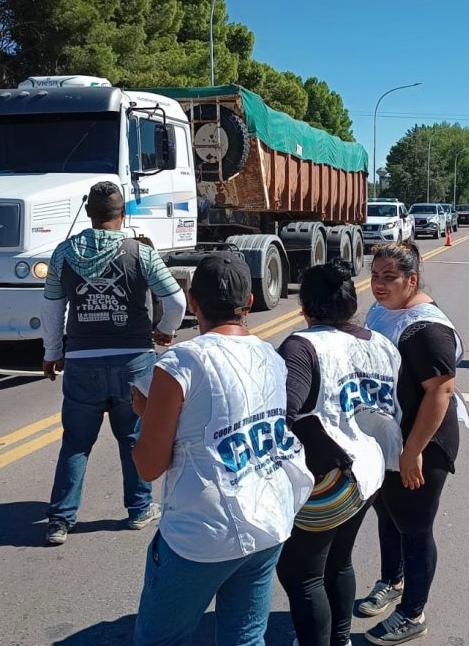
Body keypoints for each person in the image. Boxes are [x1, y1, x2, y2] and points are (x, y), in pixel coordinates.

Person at [130, 253, 314, 646]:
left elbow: (148, 466)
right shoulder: (271, 355)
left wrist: (146, 413)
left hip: (200, 534)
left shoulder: (181, 361)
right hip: (268, 519)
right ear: (249, 304)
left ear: (192, 302)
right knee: (245, 638)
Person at [41, 181, 187, 546]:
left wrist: (52, 352)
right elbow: (177, 302)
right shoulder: (142, 254)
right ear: (123, 215)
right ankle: (139, 510)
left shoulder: (63, 254)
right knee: (133, 436)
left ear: (89, 214)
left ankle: (60, 521)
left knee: (75, 442)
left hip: (82, 361)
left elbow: (52, 308)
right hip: (133, 361)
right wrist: (164, 331)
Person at [275, 261, 402, 646]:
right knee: (337, 561)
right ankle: (340, 638)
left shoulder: (303, 346)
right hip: (371, 470)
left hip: (331, 477)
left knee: (301, 574)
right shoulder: (380, 344)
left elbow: (286, 414)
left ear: (305, 307)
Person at [361, 241, 466, 645]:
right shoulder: (383, 309)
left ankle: (412, 613)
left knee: (416, 527)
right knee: (388, 515)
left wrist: (412, 452)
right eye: (375, 276)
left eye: (390, 278)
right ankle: (392, 580)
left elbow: (440, 392)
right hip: (390, 436)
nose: (379, 285)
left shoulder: (426, 328)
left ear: (412, 280)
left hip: (423, 444)